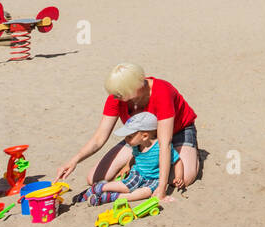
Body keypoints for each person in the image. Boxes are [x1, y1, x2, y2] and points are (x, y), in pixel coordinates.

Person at [56, 63, 201, 202]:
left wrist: (161, 190)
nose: (115, 97)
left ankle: (186, 156)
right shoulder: (117, 98)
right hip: (139, 137)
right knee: (93, 178)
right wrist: (74, 160)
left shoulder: (161, 91)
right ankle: (141, 163)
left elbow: (165, 143)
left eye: (119, 94)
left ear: (134, 88)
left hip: (177, 132)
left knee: (184, 178)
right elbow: (99, 138)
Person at [74, 112, 179, 205]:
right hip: (138, 173)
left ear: (145, 136)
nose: (126, 139)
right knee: (126, 186)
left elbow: (177, 161)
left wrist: (179, 176)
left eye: (129, 136)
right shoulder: (137, 146)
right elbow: (134, 156)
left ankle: (111, 197)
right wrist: (128, 165)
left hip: (154, 179)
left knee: (146, 192)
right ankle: (100, 188)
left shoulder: (161, 147)